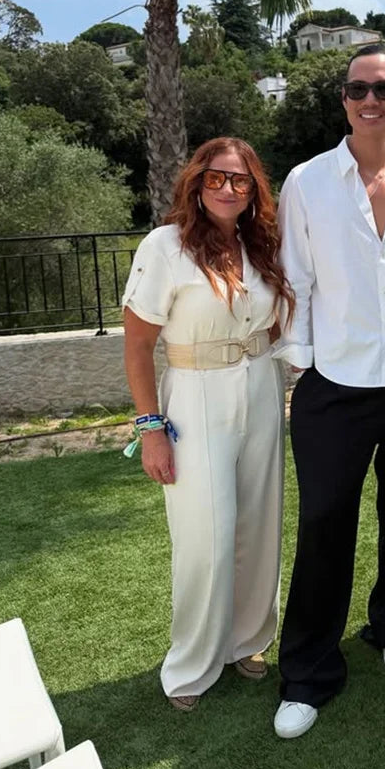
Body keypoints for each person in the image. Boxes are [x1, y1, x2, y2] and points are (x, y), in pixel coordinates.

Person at [271, 46, 385, 739]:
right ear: (343, 100)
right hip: (335, 382)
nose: (369, 99)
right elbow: (296, 275)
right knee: (323, 527)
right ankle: (308, 673)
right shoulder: (308, 181)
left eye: (384, 89)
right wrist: (303, 361)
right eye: (356, 89)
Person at [122, 137, 293, 712]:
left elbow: (272, 324)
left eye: (240, 181)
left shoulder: (258, 243)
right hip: (193, 396)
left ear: (253, 190)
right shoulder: (165, 246)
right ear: (197, 182)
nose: (227, 189)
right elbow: (138, 344)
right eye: (216, 178)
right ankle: (191, 662)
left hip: (261, 388)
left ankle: (248, 641)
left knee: (259, 522)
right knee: (206, 535)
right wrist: (151, 428)